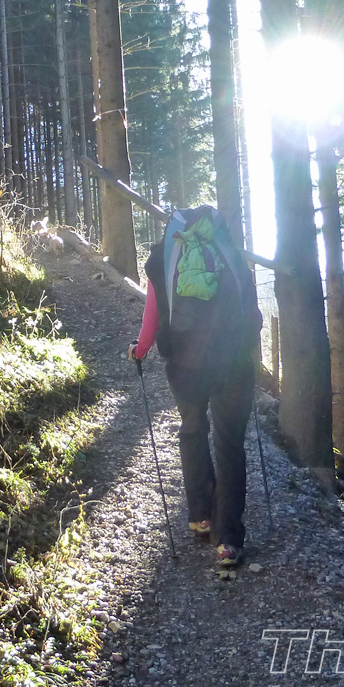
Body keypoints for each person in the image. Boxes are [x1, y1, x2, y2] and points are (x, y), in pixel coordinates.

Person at [128, 207, 263, 567]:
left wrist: (139, 349)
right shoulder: (230, 252)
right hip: (232, 364)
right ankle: (229, 540)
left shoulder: (162, 256)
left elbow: (154, 313)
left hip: (186, 365)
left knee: (192, 430)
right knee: (229, 445)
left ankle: (201, 516)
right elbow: (253, 315)